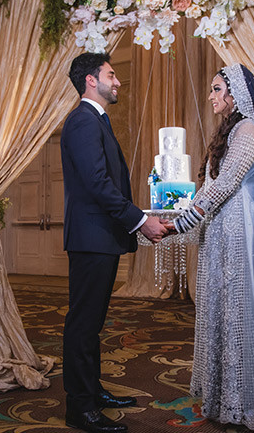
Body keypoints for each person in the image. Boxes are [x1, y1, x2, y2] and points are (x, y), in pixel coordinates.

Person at [163, 63, 254, 430]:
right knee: (220, 308)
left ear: (235, 93)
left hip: (240, 228)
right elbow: (212, 188)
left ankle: (249, 400)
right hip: (220, 229)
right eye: (210, 89)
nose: (211, 96)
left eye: (217, 89)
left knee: (239, 308)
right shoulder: (230, 130)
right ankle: (224, 395)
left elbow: (225, 186)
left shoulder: (249, 130)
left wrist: (181, 224)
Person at [61, 52, 168, 433]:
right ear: (91, 80)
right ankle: (80, 408)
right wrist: (140, 220)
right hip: (92, 238)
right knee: (83, 325)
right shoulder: (82, 121)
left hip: (100, 236)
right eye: (111, 74)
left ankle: (93, 392)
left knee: (92, 324)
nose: (117, 81)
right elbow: (97, 184)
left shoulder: (95, 121)